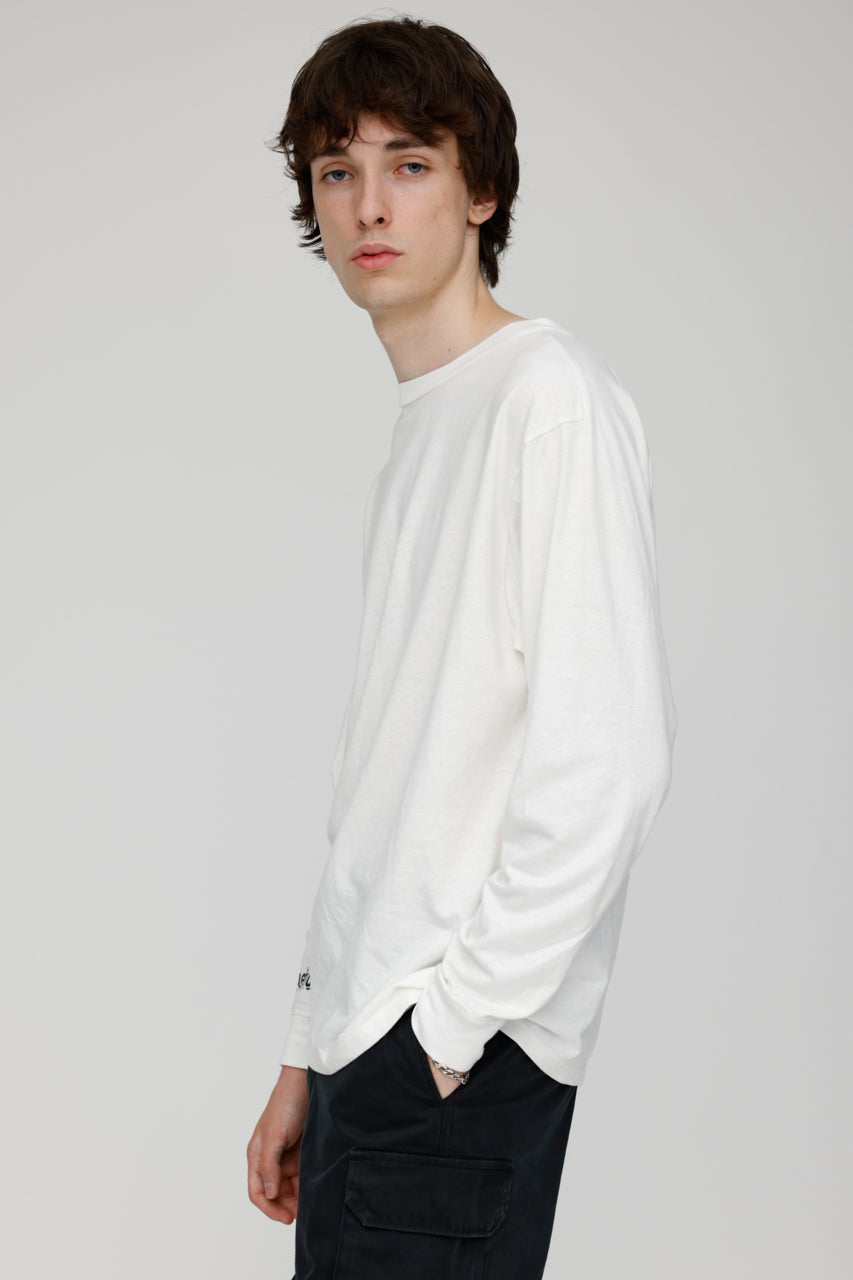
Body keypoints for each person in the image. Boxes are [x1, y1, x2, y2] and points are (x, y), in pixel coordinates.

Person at [247, 15, 678, 1278]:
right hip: (371, 1046)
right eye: (337, 170)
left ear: (481, 189)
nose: (369, 204)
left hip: (450, 1053)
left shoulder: (549, 401)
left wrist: (446, 1029)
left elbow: (609, 759)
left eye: (411, 162)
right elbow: (389, 787)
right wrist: (310, 1048)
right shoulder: (431, 423)